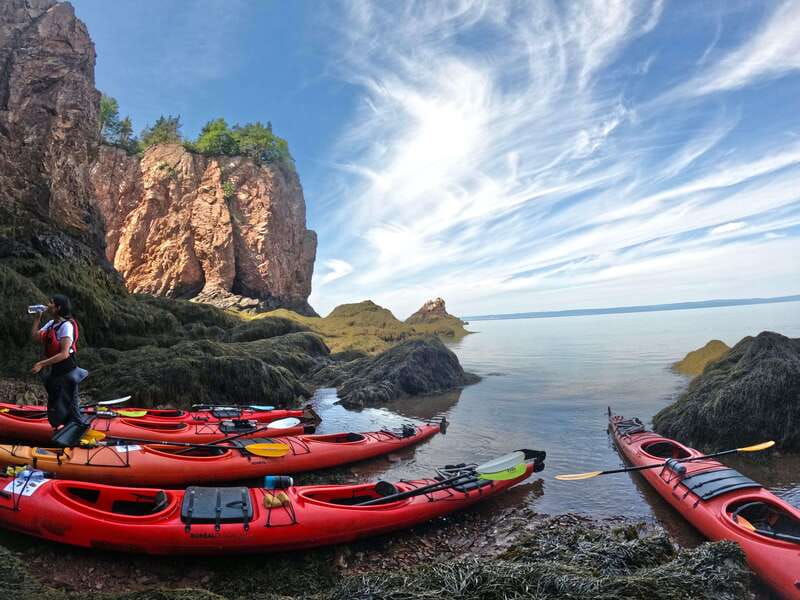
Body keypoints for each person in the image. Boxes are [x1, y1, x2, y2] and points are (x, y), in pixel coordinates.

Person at [30, 294, 88, 439]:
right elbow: (35, 337)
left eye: (51, 303)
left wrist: (41, 364)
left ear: (58, 308)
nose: (48, 304)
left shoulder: (66, 326)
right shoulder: (51, 323)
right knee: (58, 401)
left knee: (71, 402)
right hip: (56, 370)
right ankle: (65, 429)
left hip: (67, 370)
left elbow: (64, 354)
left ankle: (77, 433)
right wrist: (37, 318)